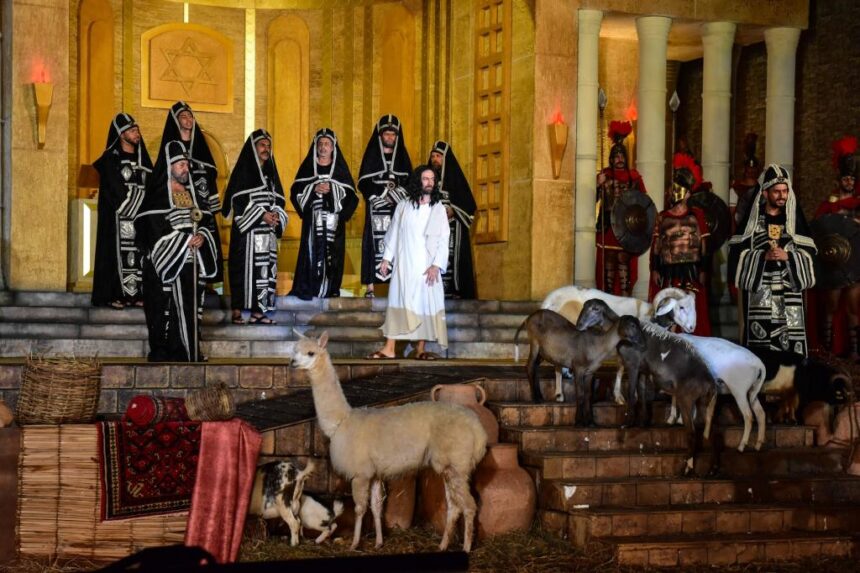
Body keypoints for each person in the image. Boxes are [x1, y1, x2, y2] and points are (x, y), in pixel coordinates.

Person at [135, 141, 219, 362]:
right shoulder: (156, 195)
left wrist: (202, 236)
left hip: (191, 262)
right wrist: (183, 240)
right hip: (165, 262)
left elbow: (203, 222)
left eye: (187, 164)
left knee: (190, 308)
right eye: (181, 164)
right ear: (169, 166)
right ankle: (163, 351)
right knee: (162, 308)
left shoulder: (192, 194)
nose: (186, 169)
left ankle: (186, 350)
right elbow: (152, 230)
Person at [728, 164, 817, 357]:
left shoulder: (794, 223)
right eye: (776, 191)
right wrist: (762, 256)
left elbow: (811, 257)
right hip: (760, 296)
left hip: (789, 294)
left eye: (785, 191)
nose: (782, 196)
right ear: (765, 193)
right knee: (761, 349)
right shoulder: (752, 225)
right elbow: (736, 257)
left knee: (791, 348)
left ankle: (792, 372)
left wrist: (789, 256)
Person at [367, 165, 450, 360]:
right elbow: (394, 232)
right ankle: (389, 348)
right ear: (417, 181)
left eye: (432, 179)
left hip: (427, 266)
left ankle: (420, 349)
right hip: (405, 264)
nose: (430, 182)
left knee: (424, 305)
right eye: (426, 178)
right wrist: (386, 259)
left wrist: (436, 265)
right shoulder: (404, 206)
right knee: (397, 301)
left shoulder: (438, 208)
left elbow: (443, 238)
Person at [222, 130, 288, 323]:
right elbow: (237, 201)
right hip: (246, 234)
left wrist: (276, 215)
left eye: (268, 146)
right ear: (253, 147)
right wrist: (261, 215)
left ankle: (258, 312)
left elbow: (279, 200)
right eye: (262, 145)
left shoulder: (271, 175)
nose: (266, 149)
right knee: (241, 270)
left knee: (264, 272)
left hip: (266, 236)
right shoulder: (243, 173)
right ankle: (237, 310)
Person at [155, 101, 223, 282]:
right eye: (183, 116)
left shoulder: (200, 147)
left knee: (205, 241)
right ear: (176, 121)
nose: (188, 119)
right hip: (179, 208)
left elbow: (210, 177)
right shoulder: (171, 148)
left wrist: (212, 206)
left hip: (202, 209)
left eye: (190, 116)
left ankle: (208, 283)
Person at [288, 128, 359, 300]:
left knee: (334, 255)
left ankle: (332, 289)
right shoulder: (307, 168)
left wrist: (333, 189)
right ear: (316, 146)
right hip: (313, 221)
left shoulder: (341, 170)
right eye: (320, 143)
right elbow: (295, 192)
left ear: (333, 147)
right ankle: (310, 288)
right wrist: (313, 188)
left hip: (334, 222)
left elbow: (352, 196)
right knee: (311, 252)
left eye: (327, 144)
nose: (323, 147)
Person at [91, 113, 152, 309]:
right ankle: (115, 295)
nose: (137, 133)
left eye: (137, 130)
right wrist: (135, 201)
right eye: (132, 130)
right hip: (117, 219)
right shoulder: (110, 159)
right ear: (121, 133)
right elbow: (115, 190)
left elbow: (152, 187)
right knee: (114, 255)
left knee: (141, 256)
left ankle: (138, 294)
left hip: (140, 220)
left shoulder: (143, 160)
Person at [649, 153, 712, 335]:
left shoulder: (697, 215)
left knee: (692, 311)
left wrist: (703, 269)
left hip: (691, 270)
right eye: (673, 187)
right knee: (670, 311)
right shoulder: (663, 217)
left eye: (680, 188)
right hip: (669, 271)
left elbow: (704, 245)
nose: (674, 192)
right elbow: (657, 246)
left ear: (688, 193)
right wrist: (655, 269)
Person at [814, 135, 860, 357]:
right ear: (839, 180)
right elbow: (819, 229)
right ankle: (828, 350)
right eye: (846, 178)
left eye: (852, 179)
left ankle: (855, 350)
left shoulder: (858, 205)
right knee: (830, 308)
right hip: (834, 263)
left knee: (853, 308)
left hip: (855, 263)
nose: (849, 182)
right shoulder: (829, 205)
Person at [358, 114, 413, 298]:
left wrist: (394, 195)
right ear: (380, 135)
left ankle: (398, 287)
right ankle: (370, 287)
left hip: (397, 208)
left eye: (393, 134)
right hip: (376, 208)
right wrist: (382, 195)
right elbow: (364, 182)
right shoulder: (371, 157)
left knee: (399, 244)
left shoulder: (403, 158)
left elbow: (411, 183)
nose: (390, 137)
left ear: (397, 136)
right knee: (371, 245)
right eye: (386, 134)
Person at [596, 120, 648, 296]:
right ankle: (609, 296)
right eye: (616, 156)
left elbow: (644, 203)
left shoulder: (634, 177)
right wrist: (598, 185)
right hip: (608, 225)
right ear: (611, 159)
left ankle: (625, 295)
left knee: (623, 258)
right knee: (609, 260)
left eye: (622, 156)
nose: (619, 159)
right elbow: (594, 200)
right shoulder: (604, 176)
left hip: (627, 226)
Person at [428, 140, 477, 299]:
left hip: (452, 228)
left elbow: (468, 203)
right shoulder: (427, 180)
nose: (435, 159)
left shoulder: (456, 179)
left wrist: (453, 210)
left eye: (439, 156)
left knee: (451, 258)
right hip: (432, 229)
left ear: (445, 158)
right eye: (433, 156)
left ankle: (454, 291)